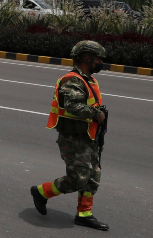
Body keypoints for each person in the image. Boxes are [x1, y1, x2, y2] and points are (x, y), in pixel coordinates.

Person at [30, 40, 109, 231]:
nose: (100, 62)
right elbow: (72, 106)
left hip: (88, 137)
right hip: (73, 138)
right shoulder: (73, 80)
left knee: (92, 176)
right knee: (78, 179)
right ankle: (41, 192)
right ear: (87, 58)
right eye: (98, 58)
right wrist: (96, 114)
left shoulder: (89, 79)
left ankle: (84, 214)